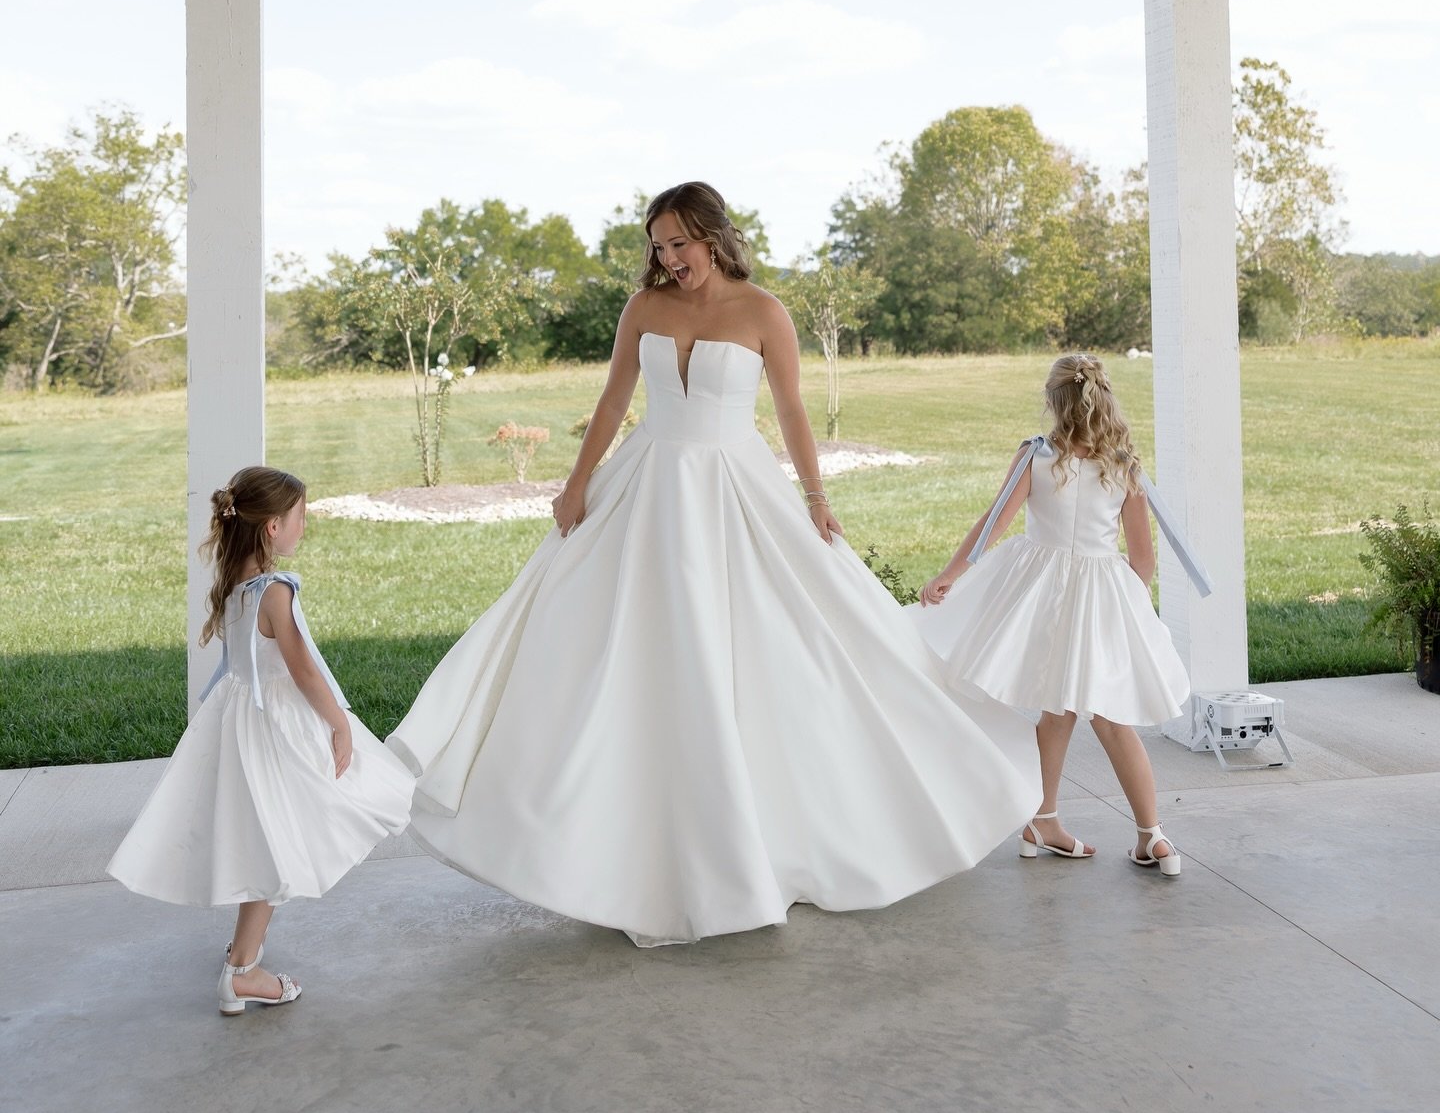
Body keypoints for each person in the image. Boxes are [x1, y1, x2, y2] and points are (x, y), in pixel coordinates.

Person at [390, 180, 1040, 946]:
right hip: (649, 487)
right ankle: (607, 845)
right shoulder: (645, 309)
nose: (669, 259)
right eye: (658, 247)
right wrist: (574, 484)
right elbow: (612, 402)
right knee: (613, 642)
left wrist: (817, 497)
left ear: (713, 236)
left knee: (780, 644)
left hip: (735, 487)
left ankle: (778, 838)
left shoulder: (765, 312)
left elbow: (794, 411)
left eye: (680, 244)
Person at [108, 465, 415, 1012]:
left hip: (240, 721)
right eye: (300, 517)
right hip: (275, 726)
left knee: (266, 839)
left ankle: (242, 959)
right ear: (272, 527)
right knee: (291, 836)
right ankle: (242, 972)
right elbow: (302, 669)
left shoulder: (235, 584)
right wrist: (340, 725)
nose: (304, 527)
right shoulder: (273, 591)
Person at [915, 352, 1188, 876]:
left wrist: (952, 573)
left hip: (1039, 593)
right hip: (1101, 594)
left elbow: (992, 523)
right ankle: (1149, 836)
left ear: (1052, 403)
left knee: (1056, 708)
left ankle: (1044, 818)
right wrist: (1127, 609)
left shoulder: (1035, 456)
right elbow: (1143, 557)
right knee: (1108, 717)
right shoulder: (1124, 466)